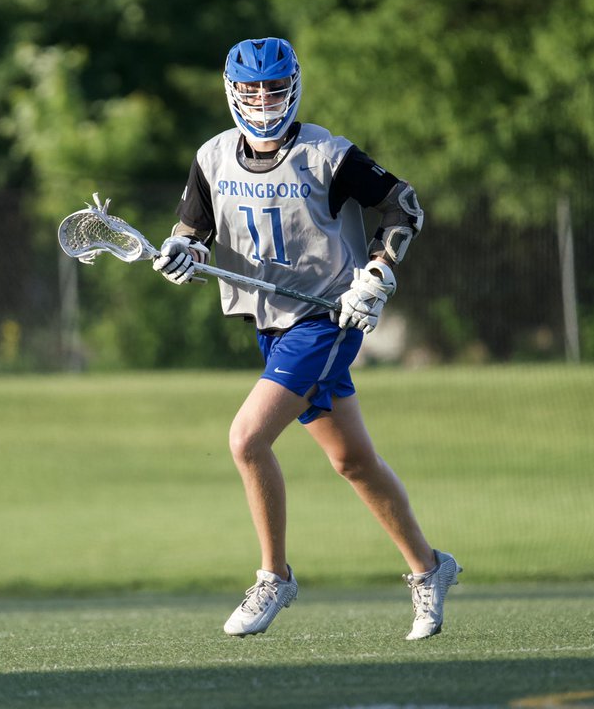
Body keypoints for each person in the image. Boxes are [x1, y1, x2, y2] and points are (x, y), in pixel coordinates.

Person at [153, 37, 461, 640]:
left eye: (273, 87)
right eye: (251, 89)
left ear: (292, 85)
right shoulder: (213, 156)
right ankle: (430, 568)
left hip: (327, 320)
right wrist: (183, 251)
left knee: (246, 439)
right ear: (232, 91)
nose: (263, 100)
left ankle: (275, 576)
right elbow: (193, 227)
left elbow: (402, 205)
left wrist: (378, 271)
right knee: (353, 461)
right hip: (271, 324)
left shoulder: (327, 153)